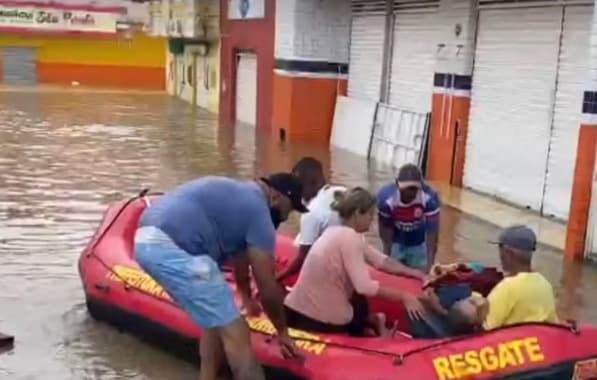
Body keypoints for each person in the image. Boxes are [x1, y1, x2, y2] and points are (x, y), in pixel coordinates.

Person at [134, 174, 307, 380]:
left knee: (215, 322)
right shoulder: (259, 213)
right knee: (238, 334)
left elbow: (241, 266)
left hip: (146, 239)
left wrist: (246, 299)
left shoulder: (239, 196)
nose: (287, 217)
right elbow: (267, 286)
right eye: (290, 209)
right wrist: (282, 332)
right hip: (173, 247)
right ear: (276, 197)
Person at [284, 187, 427, 337]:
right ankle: (373, 330)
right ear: (358, 212)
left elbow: (383, 261)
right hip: (316, 319)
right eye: (370, 215)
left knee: (355, 299)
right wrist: (404, 296)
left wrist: (415, 273)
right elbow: (364, 287)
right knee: (357, 297)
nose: (372, 222)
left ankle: (372, 324)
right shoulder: (350, 238)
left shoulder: (333, 231)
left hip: (293, 311)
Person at [276, 157, 346, 283]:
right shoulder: (343, 192)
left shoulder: (311, 212)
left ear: (311, 182)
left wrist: (280, 276)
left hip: (329, 271)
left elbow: (304, 259)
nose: (296, 193)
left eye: (298, 187)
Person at [483, 225, 558, 330]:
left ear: (508, 253)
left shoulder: (507, 288)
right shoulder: (545, 284)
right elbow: (553, 323)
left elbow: (486, 328)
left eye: (500, 248)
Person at [377, 163, 441, 271]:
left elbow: (432, 236)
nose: (410, 193)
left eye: (414, 189)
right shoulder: (386, 198)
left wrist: (430, 267)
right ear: (397, 184)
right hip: (395, 241)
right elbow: (385, 231)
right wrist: (386, 258)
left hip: (418, 243)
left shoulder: (430, 198)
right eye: (406, 188)